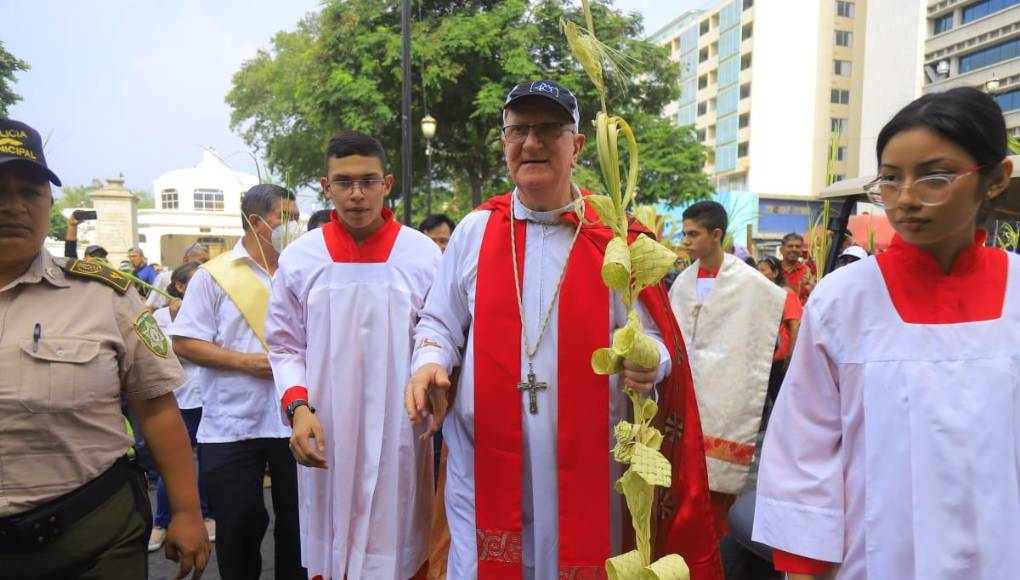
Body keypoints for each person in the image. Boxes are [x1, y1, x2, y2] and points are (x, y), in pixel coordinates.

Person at [405, 80, 721, 579]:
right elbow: (439, 322)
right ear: (504, 142)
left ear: (576, 146)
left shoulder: (615, 236)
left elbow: (660, 341)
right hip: (484, 469)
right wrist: (428, 363)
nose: (531, 142)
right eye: (519, 130)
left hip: (590, 471)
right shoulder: (475, 232)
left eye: (548, 129)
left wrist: (650, 361)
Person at [753, 87, 1020, 579]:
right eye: (892, 180)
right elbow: (804, 453)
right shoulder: (843, 301)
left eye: (934, 177)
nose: (907, 200)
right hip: (874, 559)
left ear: (996, 179)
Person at [0, 118, 209, 578]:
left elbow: (156, 408)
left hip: (91, 538)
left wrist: (187, 513)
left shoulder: (106, 296)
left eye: (29, 192)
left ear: (49, 202)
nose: (13, 206)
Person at [267, 130, 440, 579]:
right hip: (326, 424)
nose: (357, 194)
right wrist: (297, 407)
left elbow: (439, 334)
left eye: (368, 181)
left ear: (387, 183)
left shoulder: (422, 255)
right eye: (343, 182)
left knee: (399, 537)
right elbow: (284, 344)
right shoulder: (301, 258)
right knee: (332, 541)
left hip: (401, 427)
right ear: (326, 187)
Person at [172, 184, 306, 580]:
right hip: (233, 425)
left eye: (297, 218)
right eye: (287, 218)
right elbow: (184, 342)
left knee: (301, 529)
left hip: (296, 419)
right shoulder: (213, 277)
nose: (294, 227)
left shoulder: (304, 268)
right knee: (239, 526)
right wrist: (244, 362)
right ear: (256, 221)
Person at [668, 201, 788, 539]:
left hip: (725, 393)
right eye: (684, 233)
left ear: (716, 234)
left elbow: (762, 331)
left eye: (693, 234)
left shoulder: (753, 285)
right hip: (684, 395)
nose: (685, 241)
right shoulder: (682, 283)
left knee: (715, 508)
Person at [149, 261, 216, 552]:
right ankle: (162, 521)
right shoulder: (161, 317)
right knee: (175, 462)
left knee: (210, 463)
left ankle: (207, 514)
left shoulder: (214, 311)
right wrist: (179, 325)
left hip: (211, 398)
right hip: (181, 400)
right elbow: (166, 357)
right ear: (179, 287)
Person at [755, 256, 803, 410]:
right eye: (757, 270)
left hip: (780, 357)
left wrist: (791, 356)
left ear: (775, 273)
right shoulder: (760, 293)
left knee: (779, 400)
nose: (758, 273)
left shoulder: (786, 294)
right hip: (762, 356)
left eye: (763, 270)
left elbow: (795, 324)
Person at [146, 242, 211, 310]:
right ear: (185, 259)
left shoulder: (207, 279)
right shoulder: (164, 277)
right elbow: (150, 306)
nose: (205, 265)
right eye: (202, 261)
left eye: (208, 261)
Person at [778, 233, 813, 304]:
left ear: (801, 251)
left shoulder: (808, 272)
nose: (794, 249)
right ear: (781, 250)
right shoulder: (774, 269)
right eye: (790, 246)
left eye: (797, 246)